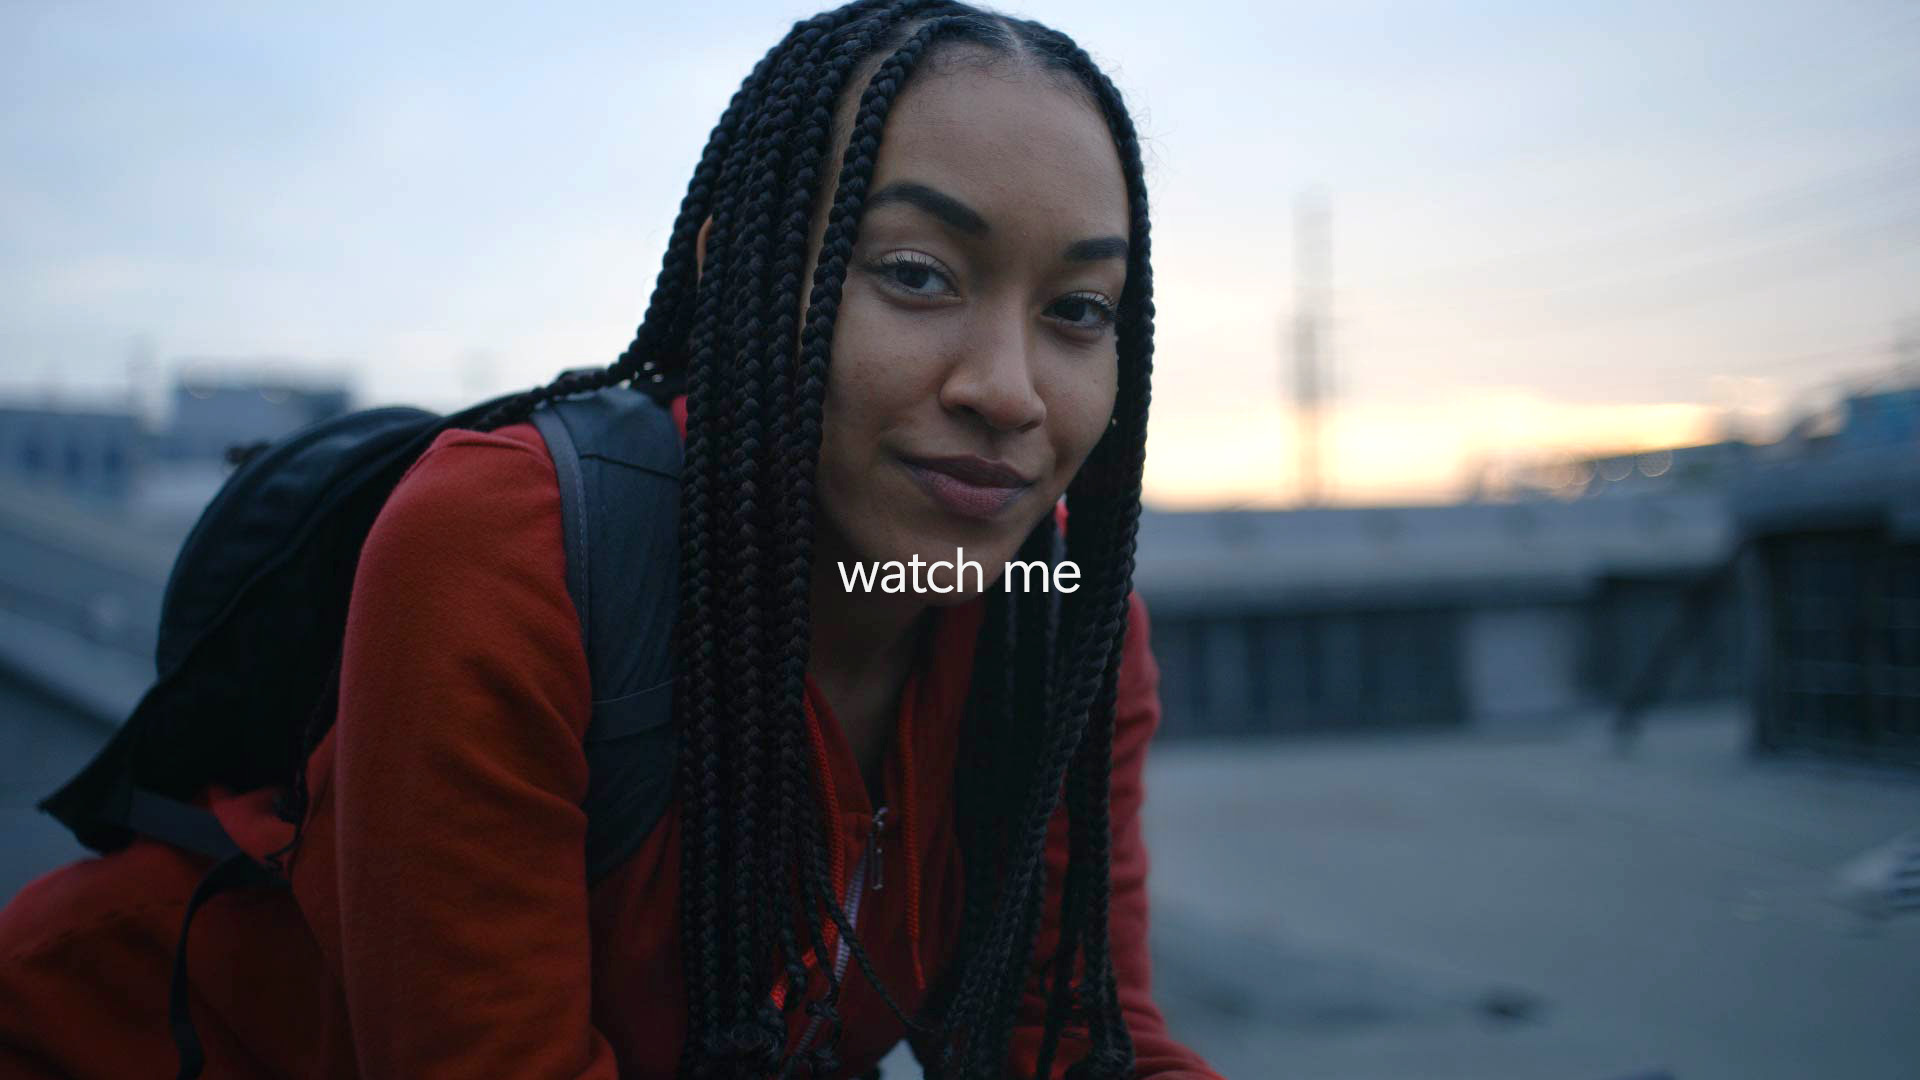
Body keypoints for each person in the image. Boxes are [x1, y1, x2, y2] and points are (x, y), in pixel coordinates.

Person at [0, 2, 1223, 1077]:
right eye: (916, 274)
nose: (1009, 390)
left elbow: (1071, 1042)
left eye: (1077, 310)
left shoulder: (1060, 627)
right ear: (737, 271)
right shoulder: (507, 550)